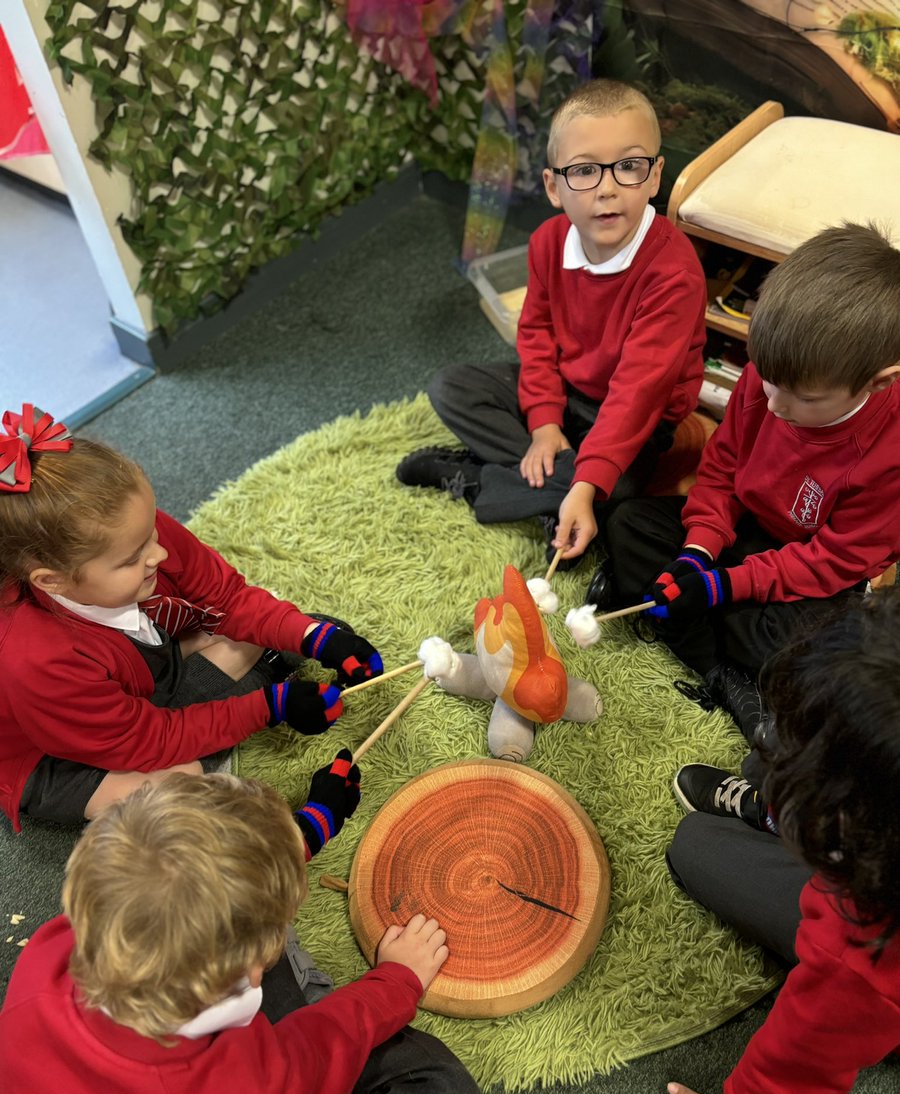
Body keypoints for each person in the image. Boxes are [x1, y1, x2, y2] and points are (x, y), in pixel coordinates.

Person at [0, 771, 490, 1094]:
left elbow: (181, 885)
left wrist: (294, 838)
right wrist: (397, 979)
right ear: (250, 968)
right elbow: (320, 1052)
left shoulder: (53, 948)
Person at [0, 406, 383, 832]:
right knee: (177, 793)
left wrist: (315, 637)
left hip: (134, 683)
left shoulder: (134, 536)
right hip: (60, 759)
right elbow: (149, 742)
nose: (159, 554)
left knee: (285, 621)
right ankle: (254, 684)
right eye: (133, 558)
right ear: (52, 580)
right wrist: (269, 707)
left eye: (152, 533)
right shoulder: (39, 658)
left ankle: (231, 675)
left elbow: (228, 597)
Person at [600, 222, 900, 735]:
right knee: (628, 521)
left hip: (811, 569)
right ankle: (719, 663)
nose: (776, 405)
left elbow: (833, 561)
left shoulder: (889, 452)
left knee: (824, 654)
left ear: (878, 382)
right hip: (740, 533)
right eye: (767, 380)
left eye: (804, 398)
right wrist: (698, 553)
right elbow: (719, 471)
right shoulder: (774, 378)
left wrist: (723, 586)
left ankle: (689, 637)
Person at [395, 78, 707, 569]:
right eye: (583, 171)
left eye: (628, 166)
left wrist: (588, 482)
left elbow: (638, 392)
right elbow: (536, 335)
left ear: (654, 176)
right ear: (553, 187)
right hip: (569, 393)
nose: (607, 188)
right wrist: (543, 421)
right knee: (452, 388)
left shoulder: (674, 272)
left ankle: (480, 480)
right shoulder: (546, 243)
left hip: (638, 415)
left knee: (615, 487)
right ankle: (554, 487)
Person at [662, 590, 900, 1094]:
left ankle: (773, 809)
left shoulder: (864, 956)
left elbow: (806, 1055)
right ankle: (774, 801)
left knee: (695, 845)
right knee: (764, 755)